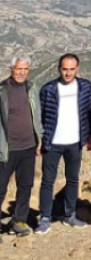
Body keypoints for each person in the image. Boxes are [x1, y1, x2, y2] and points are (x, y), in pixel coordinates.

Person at [35, 53, 91, 234]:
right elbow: (41, 117)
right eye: (65, 69)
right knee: (48, 181)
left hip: (75, 142)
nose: (68, 73)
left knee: (72, 180)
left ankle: (69, 214)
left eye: (72, 69)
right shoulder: (48, 89)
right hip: (52, 143)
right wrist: (39, 139)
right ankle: (45, 217)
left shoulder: (85, 86)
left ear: (77, 69)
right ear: (59, 69)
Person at [0, 56, 42, 237]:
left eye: (25, 69)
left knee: (25, 186)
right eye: (18, 69)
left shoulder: (31, 88)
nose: (22, 72)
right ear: (11, 68)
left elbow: (37, 115)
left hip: (28, 147)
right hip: (7, 148)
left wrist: (39, 139)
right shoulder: (2, 90)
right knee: (1, 187)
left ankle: (19, 220)